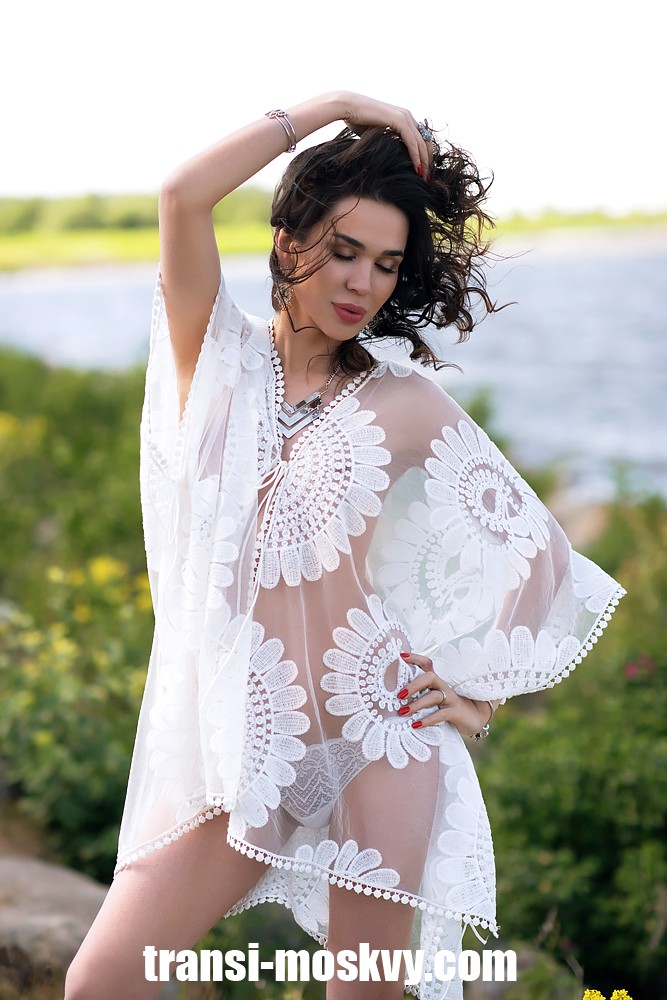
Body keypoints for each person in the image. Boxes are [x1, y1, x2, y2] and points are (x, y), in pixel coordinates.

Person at [65, 92, 625, 1000]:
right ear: (289, 242)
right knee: (101, 980)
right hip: (240, 739)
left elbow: (540, 556)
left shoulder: (404, 401)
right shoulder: (213, 357)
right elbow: (181, 196)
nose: (362, 283)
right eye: (344, 251)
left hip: (374, 734)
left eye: (386, 265)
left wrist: (474, 696)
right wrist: (333, 106)